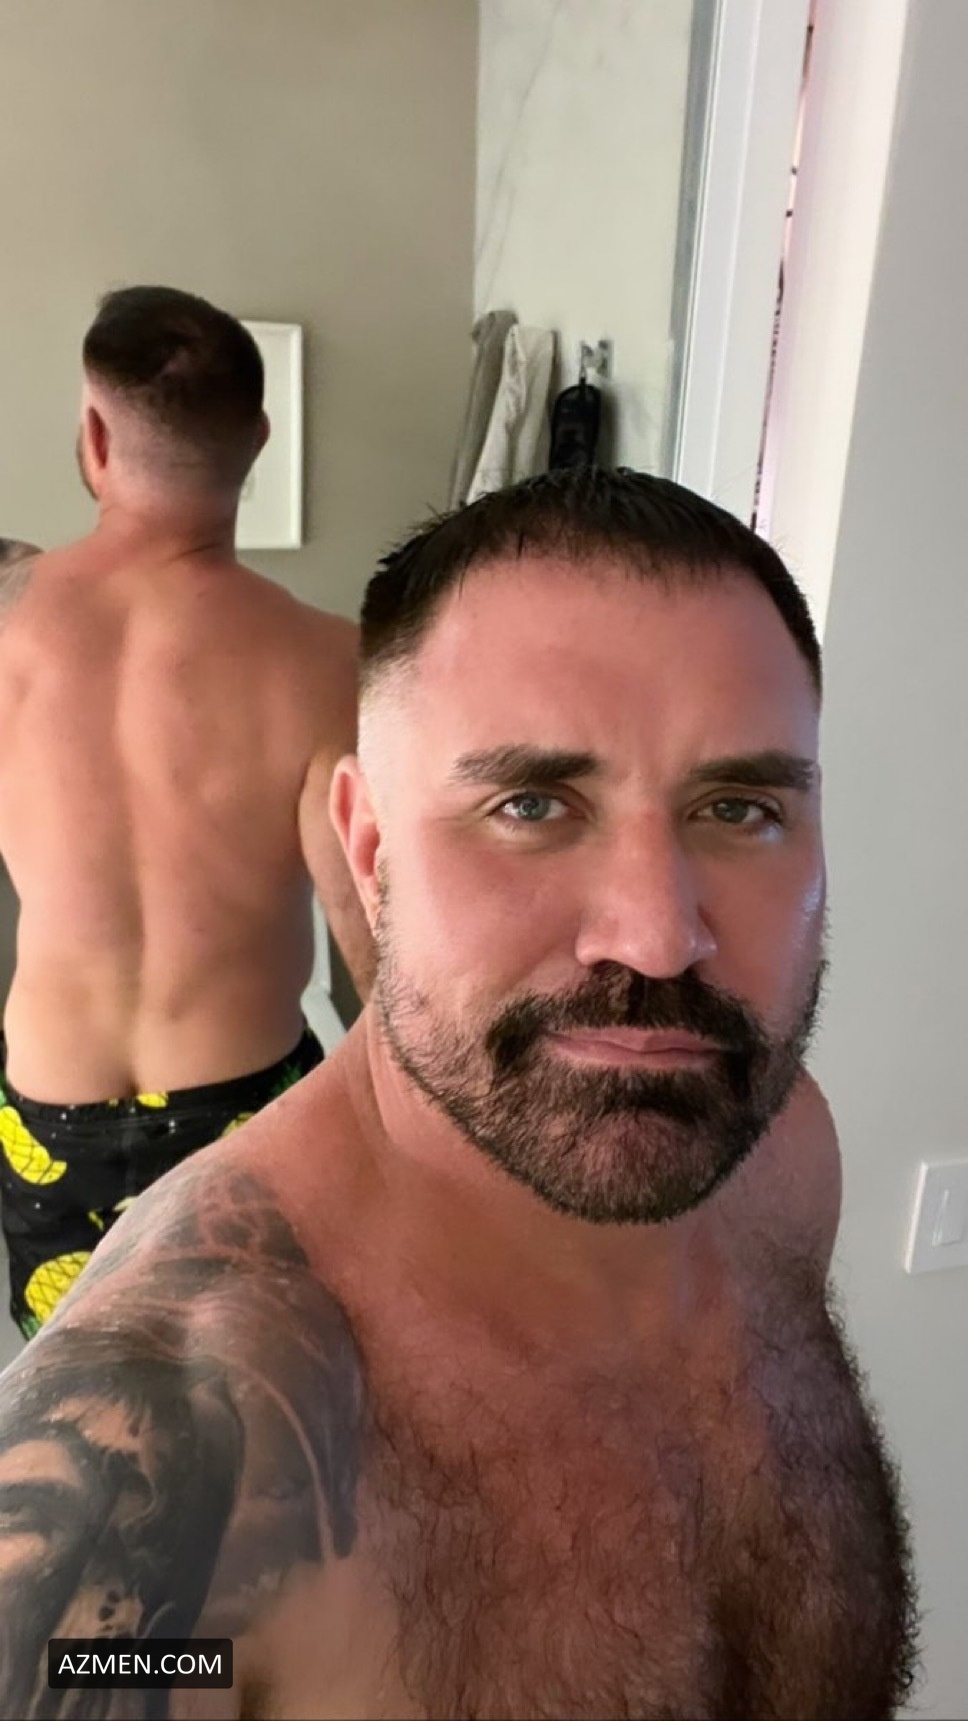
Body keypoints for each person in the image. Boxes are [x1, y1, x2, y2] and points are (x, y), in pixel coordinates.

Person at [0, 469, 917, 1719]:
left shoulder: (779, 1154)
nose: (656, 936)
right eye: (530, 804)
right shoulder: (168, 1465)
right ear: (368, 848)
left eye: (737, 806)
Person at [0, 286, 373, 1338]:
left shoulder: (8, 624)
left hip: (51, 1104)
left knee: (85, 1389)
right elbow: (363, 921)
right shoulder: (324, 661)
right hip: (241, 1105)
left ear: (95, 435)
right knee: (252, 1384)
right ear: (258, 440)